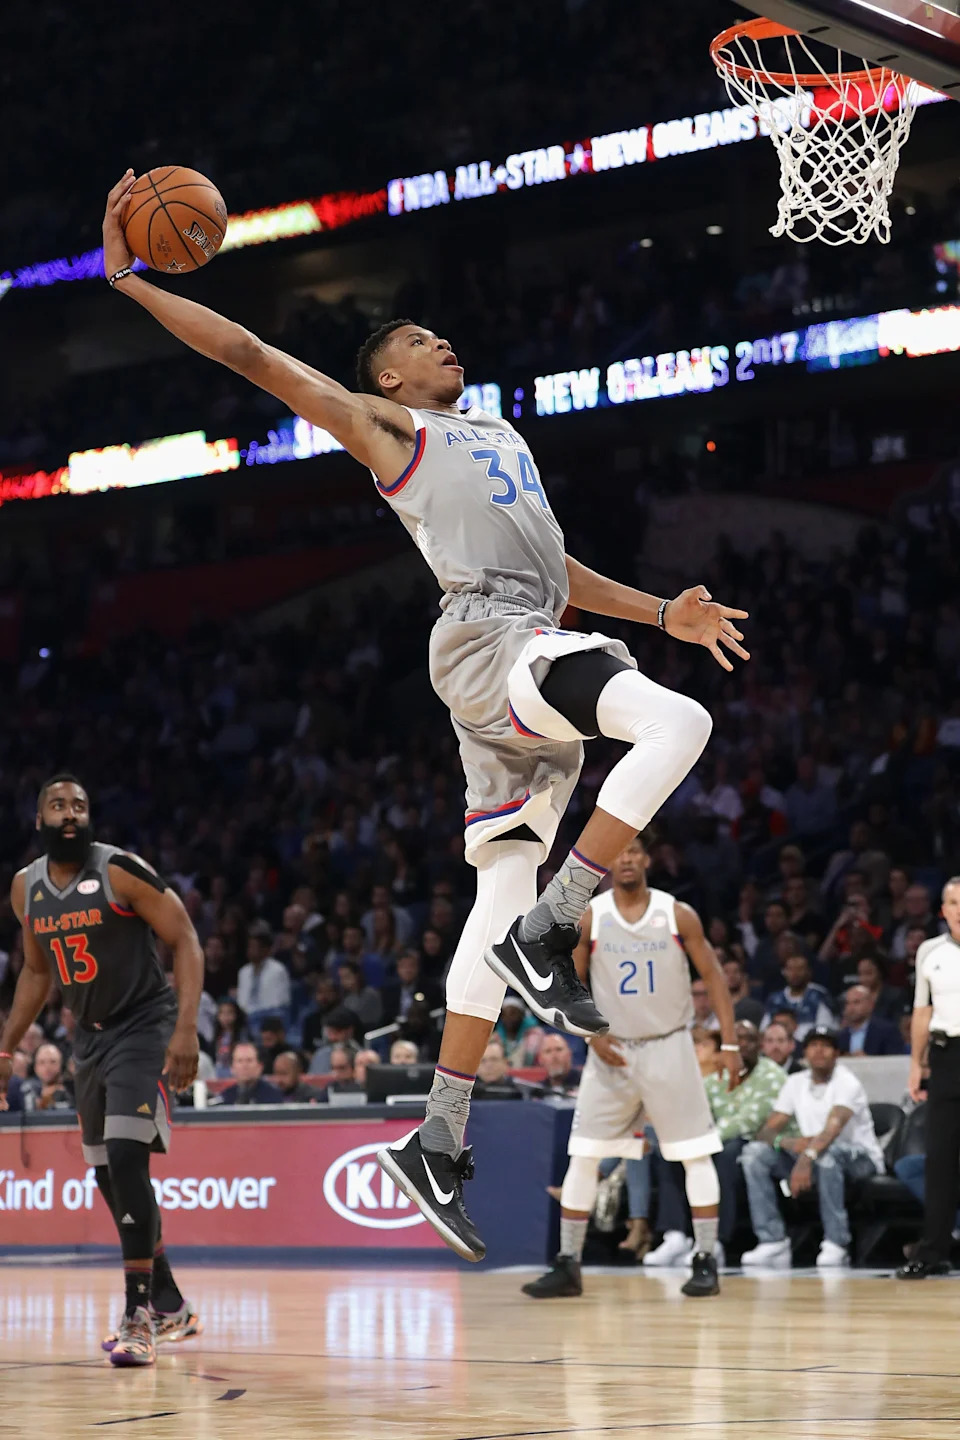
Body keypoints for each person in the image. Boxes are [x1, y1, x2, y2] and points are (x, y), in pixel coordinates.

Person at [103, 176, 748, 1263]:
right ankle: (558, 925)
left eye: (435, 332)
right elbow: (251, 356)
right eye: (415, 339)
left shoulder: (502, 435)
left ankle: (437, 1137)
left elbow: (561, 573)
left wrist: (659, 611)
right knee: (678, 724)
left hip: (526, 648)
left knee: (497, 899)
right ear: (388, 379)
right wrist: (129, 281)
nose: (439, 340)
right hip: (492, 644)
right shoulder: (388, 430)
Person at [0, 776, 203, 1366]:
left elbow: (186, 940)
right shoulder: (26, 888)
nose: (70, 813)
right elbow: (37, 972)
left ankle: (138, 1316)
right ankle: (170, 1304)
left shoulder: (120, 871)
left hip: (143, 1025)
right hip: (87, 1039)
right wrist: (5, 1048)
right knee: (107, 1175)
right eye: (58, 806)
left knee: (125, 1154)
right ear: (39, 820)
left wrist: (186, 1029)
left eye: (79, 806)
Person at [522, 834, 737, 1300]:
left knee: (696, 1153)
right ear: (608, 862)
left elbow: (714, 977)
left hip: (669, 1046)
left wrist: (731, 1043)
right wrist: (590, 1037)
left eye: (635, 851)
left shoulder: (676, 913)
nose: (627, 858)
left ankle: (705, 1258)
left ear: (647, 859)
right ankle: (568, 1263)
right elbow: (570, 982)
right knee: (584, 1155)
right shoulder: (592, 916)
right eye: (620, 851)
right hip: (613, 1050)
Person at [740, 1027, 883, 1269]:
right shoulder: (795, 1082)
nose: (819, 1051)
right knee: (754, 1154)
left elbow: (832, 1130)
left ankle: (837, 1242)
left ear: (836, 1053)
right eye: (813, 1045)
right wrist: (789, 1143)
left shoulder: (847, 1082)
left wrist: (806, 1158)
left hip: (858, 1158)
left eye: (826, 1046)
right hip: (813, 1153)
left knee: (828, 1156)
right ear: (804, 1052)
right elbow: (766, 1132)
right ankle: (772, 1240)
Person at [645, 1021, 785, 1262]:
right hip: (715, 1140)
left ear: (760, 1045)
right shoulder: (715, 1078)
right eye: (736, 1040)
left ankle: (715, 1241)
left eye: (749, 1040)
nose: (742, 1045)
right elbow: (695, 1113)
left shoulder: (772, 1075)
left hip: (757, 1143)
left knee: (727, 1153)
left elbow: (749, 1122)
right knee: (672, 1149)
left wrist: (704, 1141)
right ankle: (675, 1235)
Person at [898, 878, 960, 1278]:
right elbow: (922, 1011)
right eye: (953, 902)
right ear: (943, 910)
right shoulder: (930, 951)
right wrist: (916, 1064)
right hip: (946, 1055)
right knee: (940, 1158)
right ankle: (934, 1250)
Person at [761, 954, 835, 1041]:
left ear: (808, 972)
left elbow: (825, 1029)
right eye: (790, 969)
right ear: (784, 972)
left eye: (799, 969)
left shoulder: (819, 996)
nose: (795, 973)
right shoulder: (775, 999)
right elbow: (763, 1031)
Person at [236, 920, 291, 1028]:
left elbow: (281, 1002)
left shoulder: (278, 970)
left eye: (254, 947)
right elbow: (241, 1001)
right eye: (249, 947)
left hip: (269, 1016)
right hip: (246, 1017)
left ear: (265, 950)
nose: (250, 950)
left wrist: (258, 1014)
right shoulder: (243, 971)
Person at [837, 985, 907, 1056]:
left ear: (870, 1005)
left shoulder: (887, 1031)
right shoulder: (841, 1035)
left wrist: (869, 1060)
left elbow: (896, 1059)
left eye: (856, 1002)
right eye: (847, 1003)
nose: (851, 1008)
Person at [217, 1041, 284, 1105]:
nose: (244, 1065)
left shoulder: (273, 1096)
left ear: (260, 1066)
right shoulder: (225, 1098)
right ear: (232, 1067)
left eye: (249, 1060)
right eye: (240, 1061)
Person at [20, 1041, 73, 1111]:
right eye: (42, 1062)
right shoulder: (28, 1088)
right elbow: (28, 1112)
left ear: (61, 1064)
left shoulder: (72, 1088)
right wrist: (42, 1102)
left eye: (53, 1062)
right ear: (35, 1067)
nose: (47, 1067)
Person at [723, 955, 765, 1027]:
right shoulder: (712, 1006)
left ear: (742, 976)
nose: (731, 975)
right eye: (726, 972)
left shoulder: (754, 1007)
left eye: (735, 972)